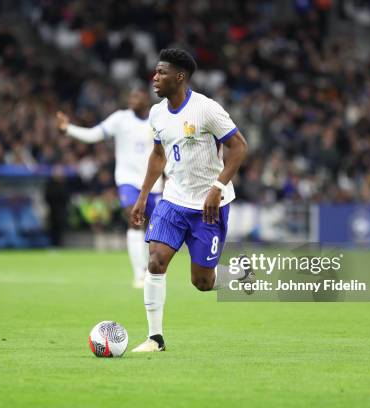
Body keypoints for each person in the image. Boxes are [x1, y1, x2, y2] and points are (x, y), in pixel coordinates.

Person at [130, 49, 254, 352]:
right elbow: (158, 155)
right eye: (155, 72)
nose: (155, 78)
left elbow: (238, 148)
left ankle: (239, 273)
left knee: (202, 282)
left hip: (209, 206)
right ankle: (155, 338)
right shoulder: (158, 113)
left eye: (161, 73)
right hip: (173, 200)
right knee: (156, 261)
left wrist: (217, 186)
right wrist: (143, 194)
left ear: (180, 77)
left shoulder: (207, 109)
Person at [56, 87, 164, 288]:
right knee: (134, 219)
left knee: (154, 229)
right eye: (130, 96)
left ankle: (153, 271)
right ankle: (139, 273)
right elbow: (93, 135)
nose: (132, 99)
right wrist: (68, 129)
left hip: (154, 183)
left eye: (137, 96)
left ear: (146, 99)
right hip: (128, 180)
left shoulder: (158, 119)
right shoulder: (120, 119)